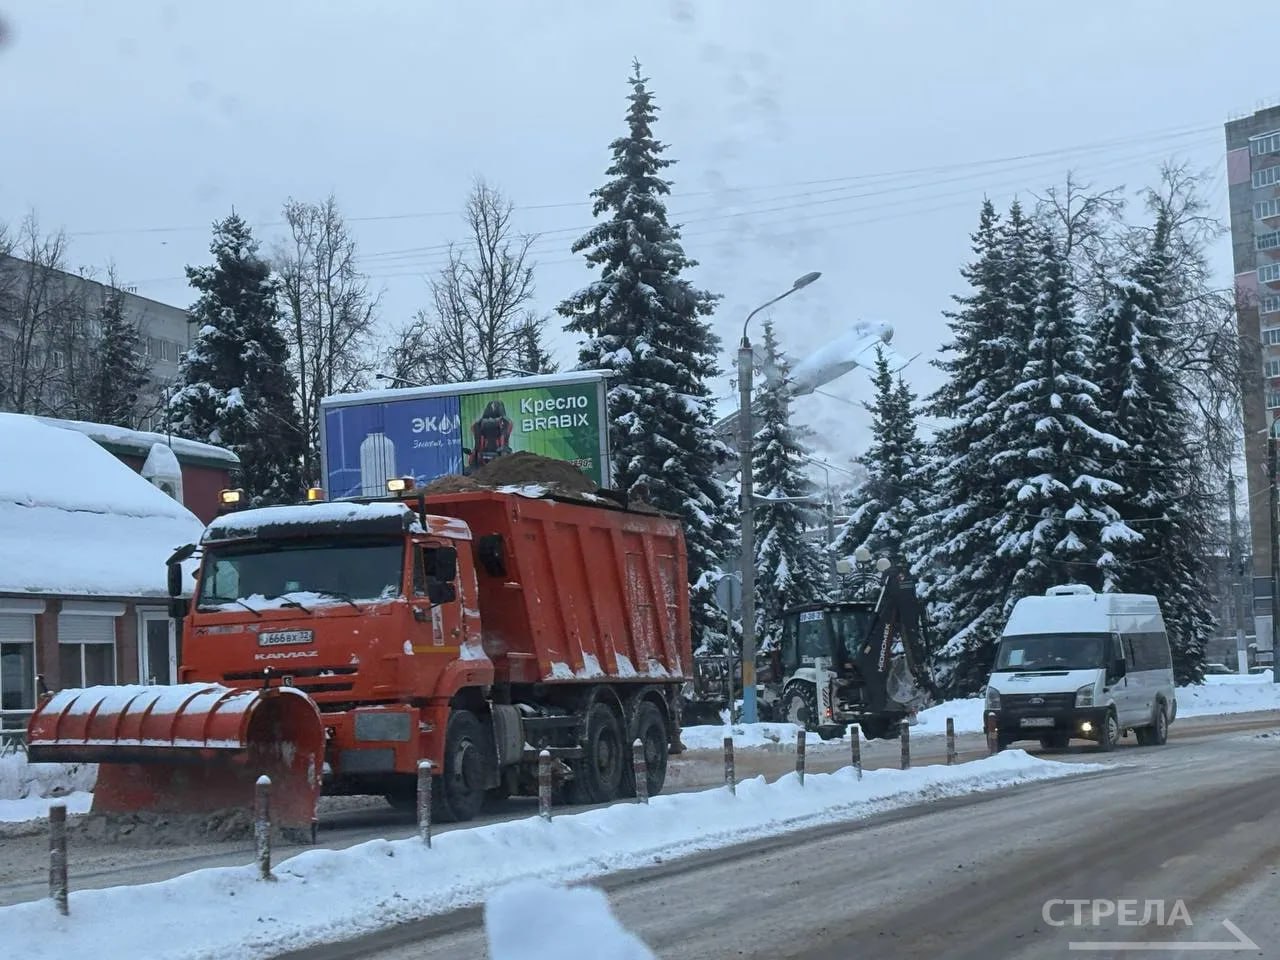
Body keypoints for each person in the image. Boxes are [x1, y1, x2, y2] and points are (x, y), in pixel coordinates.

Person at [467, 399, 513, 472]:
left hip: (481, 459)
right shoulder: (506, 423)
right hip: (500, 458)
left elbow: (477, 446)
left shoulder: (478, 424)